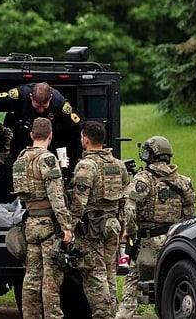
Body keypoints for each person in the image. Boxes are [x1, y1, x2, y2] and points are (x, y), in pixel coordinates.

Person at [116, 136, 196, 319]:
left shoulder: (143, 180)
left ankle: (124, 315)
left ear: (150, 155)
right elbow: (190, 211)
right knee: (167, 279)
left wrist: (130, 231)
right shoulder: (183, 181)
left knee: (133, 279)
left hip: (148, 240)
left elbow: (129, 207)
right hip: (174, 239)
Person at [11, 117, 74, 319]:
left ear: (31, 135)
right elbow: (56, 197)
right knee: (51, 279)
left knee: (31, 277)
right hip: (48, 224)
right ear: (50, 135)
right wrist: (66, 227)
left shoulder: (20, 159)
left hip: (30, 222)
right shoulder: (48, 159)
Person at [69, 121, 129, 319]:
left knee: (95, 274)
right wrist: (122, 225)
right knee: (110, 272)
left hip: (92, 228)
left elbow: (79, 200)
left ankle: (103, 315)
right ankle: (112, 311)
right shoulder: (118, 165)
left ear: (85, 139)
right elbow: (124, 199)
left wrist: (69, 226)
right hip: (112, 225)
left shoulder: (87, 165)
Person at [0, 82, 81, 165]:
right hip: (20, 137)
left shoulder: (59, 102)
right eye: (37, 106)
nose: (40, 110)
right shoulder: (21, 94)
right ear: (31, 97)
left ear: (50, 98)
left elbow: (78, 126)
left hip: (51, 142)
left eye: (44, 106)